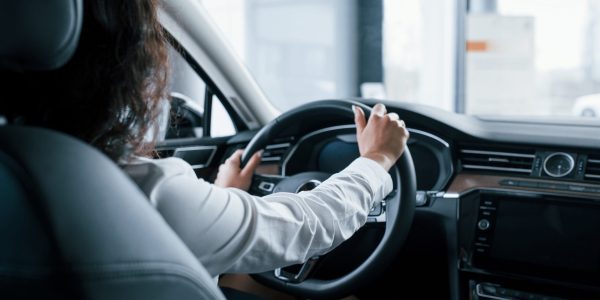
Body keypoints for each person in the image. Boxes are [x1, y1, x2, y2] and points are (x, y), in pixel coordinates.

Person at [2, 0, 409, 295]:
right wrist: (377, 159)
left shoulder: (15, 179)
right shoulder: (147, 192)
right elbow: (306, 225)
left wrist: (225, 198)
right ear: (120, 68)